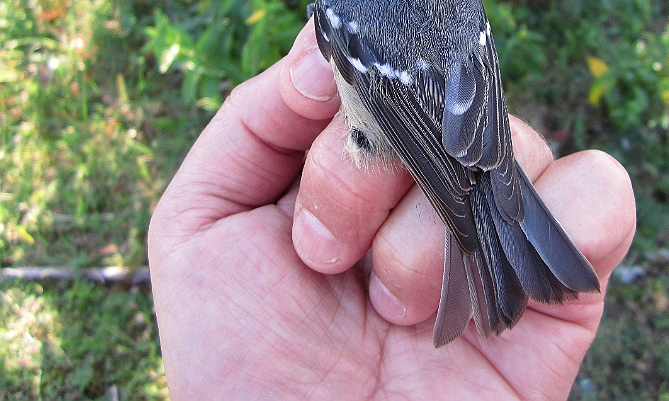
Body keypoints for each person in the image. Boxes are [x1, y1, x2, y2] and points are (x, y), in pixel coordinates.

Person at [148, 20, 636, 400]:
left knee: (379, 154)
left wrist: (458, 187)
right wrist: (486, 162)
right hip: (475, 130)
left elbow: (404, 116)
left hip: (414, 139)